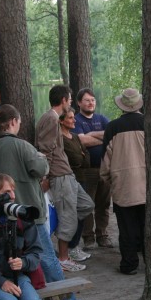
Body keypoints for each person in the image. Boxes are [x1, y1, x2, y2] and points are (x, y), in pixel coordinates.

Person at [0, 104, 72, 297]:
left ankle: (18, 295)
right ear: (14, 121)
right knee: (46, 256)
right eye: (19, 122)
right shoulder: (22, 146)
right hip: (27, 213)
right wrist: (41, 157)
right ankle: (67, 299)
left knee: (8, 258)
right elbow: (41, 169)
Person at [36, 85, 95, 272]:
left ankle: (65, 239)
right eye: (69, 99)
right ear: (63, 100)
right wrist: (45, 176)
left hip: (67, 173)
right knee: (68, 216)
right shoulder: (50, 119)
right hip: (59, 176)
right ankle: (63, 258)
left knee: (86, 205)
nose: (70, 102)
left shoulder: (53, 118)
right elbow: (45, 150)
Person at [101, 88, 147, 275]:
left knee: (126, 228)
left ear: (122, 105)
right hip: (147, 184)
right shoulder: (148, 123)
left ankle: (129, 264)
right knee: (147, 226)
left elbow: (106, 159)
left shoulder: (112, 127)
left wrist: (107, 179)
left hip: (122, 184)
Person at [72, 88, 113, 248]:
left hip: (105, 168)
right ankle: (88, 238)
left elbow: (112, 136)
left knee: (104, 204)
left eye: (93, 100)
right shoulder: (76, 120)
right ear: (79, 103)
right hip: (87, 170)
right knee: (87, 205)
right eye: (87, 100)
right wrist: (102, 137)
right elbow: (81, 141)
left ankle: (102, 235)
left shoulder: (102, 118)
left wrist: (91, 134)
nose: (91, 103)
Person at [60, 107, 92, 262]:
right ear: (61, 121)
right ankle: (70, 247)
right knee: (70, 214)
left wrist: (81, 157)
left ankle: (74, 245)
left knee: (86, 207)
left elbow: (86, 159)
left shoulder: (75, 137)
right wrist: (80, 157)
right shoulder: (60, 139)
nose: (74, 120)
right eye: (70, 118)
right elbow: (76, 159)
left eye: (74, 117)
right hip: (69, 179)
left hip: (81, 178)